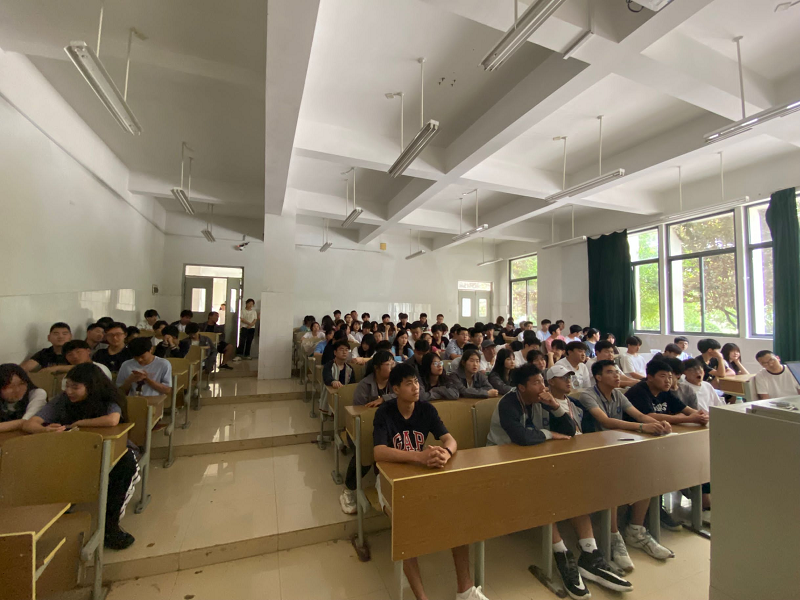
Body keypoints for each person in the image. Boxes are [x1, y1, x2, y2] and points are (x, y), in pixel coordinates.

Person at [370, 363, 489, 600]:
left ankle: (465, 590)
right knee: (405, 528)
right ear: (396, 389)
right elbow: (379, 452)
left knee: (457, 515)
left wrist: (446, 453)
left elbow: (450, 440)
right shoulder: (384, 412)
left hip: (421, 476)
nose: (416, 387)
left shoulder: (426, 409)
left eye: (416, 382)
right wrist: (419, 456)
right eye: (409, 383)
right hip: (389, 480)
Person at [24, 363, 139, 549]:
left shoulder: (109, 398)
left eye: (75, 387)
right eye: (67, 386)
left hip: (114, 450)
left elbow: (112, 420)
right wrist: (44, 430)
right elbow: (31, 423)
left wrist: (78, 423)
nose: (69, 391)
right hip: (75, 452)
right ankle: (60, 512)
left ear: (92, 386)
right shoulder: (62, 400)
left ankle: (110, 526)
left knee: (124, 466)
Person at [575, 360, 673, 570]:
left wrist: (657, 423)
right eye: (610, 372)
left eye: (617, 372)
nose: (617, 375)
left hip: (619, 447)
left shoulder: (619, 395)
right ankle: (613, 536)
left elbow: (639, 415)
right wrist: (642, 427)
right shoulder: (587, 395)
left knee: (647, 474)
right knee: (613, 481)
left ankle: (635, 530)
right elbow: (606, 421)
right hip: (595, 452)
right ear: (598, 377)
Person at [339, 351, 396, 515]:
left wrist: (384, 399)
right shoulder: (364, 386)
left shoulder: (395, 382)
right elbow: (358, 414)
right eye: (388, 364)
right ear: (377, 368)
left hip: (387, 430)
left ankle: (384, 483)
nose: (392, 367)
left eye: (393, 364)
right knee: (364, 452)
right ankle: (348, 490)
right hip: (361, 430)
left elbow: (403, 395)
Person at [624, 360, 709, 426]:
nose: (668, 381)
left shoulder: (664, 391)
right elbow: (650, 416)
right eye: (663, 376)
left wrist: (701, 416)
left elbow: (685, 409)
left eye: (670, 377)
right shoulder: (639, 391)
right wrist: (688, 419)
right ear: (650, 377)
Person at [0, 364, 47, 432]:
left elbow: (26, 422)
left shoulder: (37, 393)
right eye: (10, 386)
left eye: (21, 384)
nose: (17, 390)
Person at [322, 340, 355, 410]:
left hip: (345, 395)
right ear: (335, 352)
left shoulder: (350, 368)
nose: (344, 352)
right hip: (332, 394)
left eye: (346, 350)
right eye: (341, 349)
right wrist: (333, 381)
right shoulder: (329, 366)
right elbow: (327, 377)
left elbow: (352, 383)